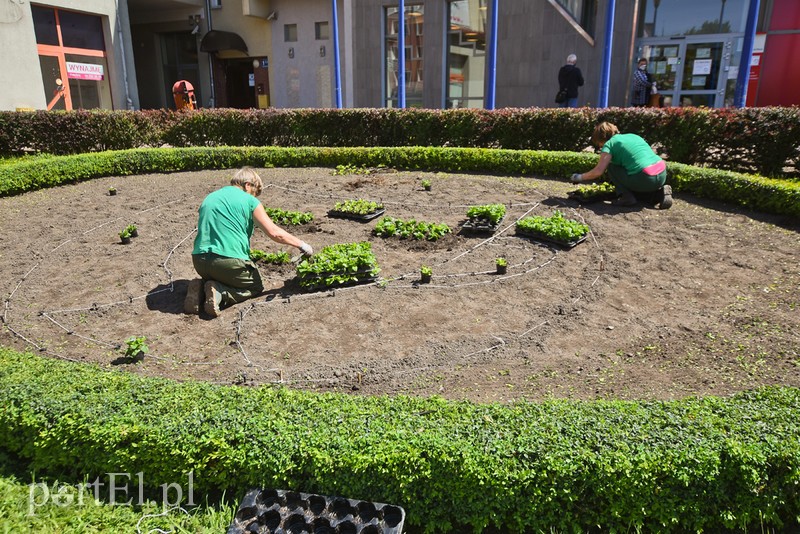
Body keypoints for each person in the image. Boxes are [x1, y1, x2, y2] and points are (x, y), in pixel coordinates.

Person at [184, 167, 314, 317]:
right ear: (247, 185)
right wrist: (302, 245)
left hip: (199, 261)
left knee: (219, 273)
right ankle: (220, 292)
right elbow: (274, 233)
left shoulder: (210, 197)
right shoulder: (249, 200)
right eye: (254, 192)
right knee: (255, 286)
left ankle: (200, 289)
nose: (255, 196)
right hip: (227, 262)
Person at [569, 122, 672, 209]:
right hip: (661, 173)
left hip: (644, 177)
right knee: (636, 176)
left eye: (599, 143)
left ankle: (626, 197)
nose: (600, 146)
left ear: (601, 138)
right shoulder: (632, 136)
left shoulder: (609, 144)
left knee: (612, 167)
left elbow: (598, 171)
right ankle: (659, 193)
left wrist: (579, 177)